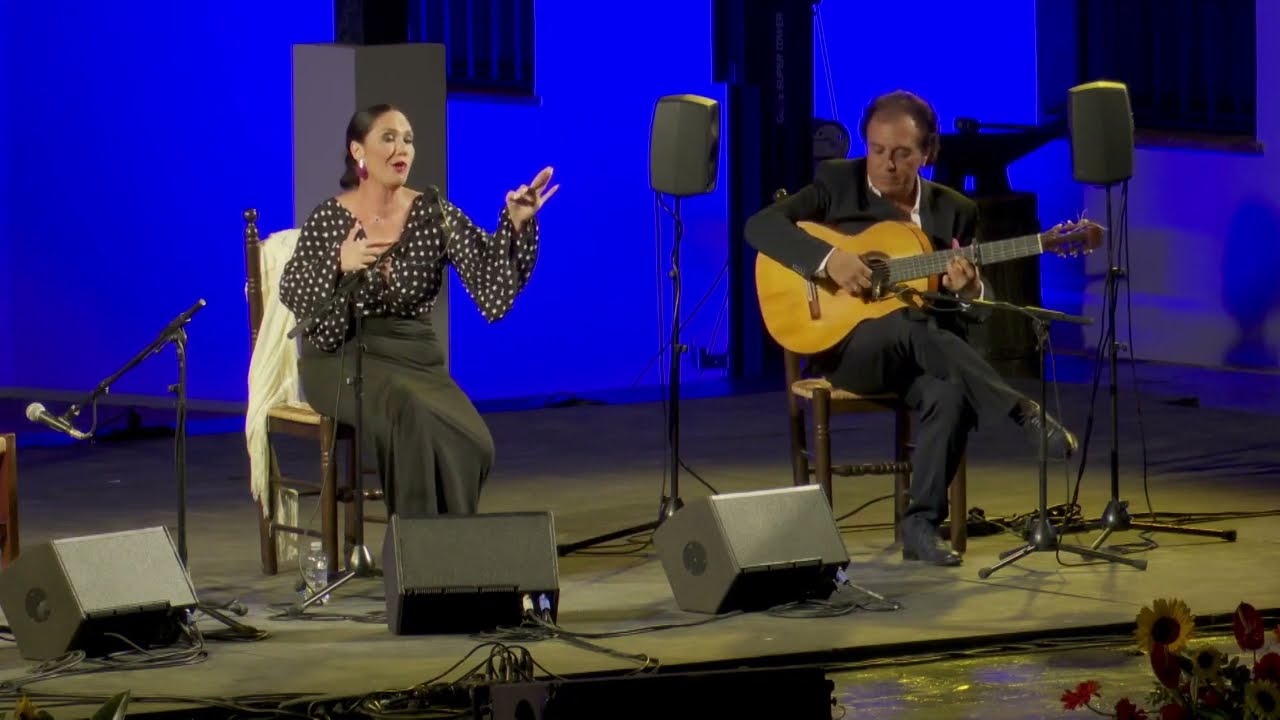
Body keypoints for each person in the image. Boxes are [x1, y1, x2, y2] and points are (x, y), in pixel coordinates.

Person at [744, 90, 1077, 567]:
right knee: (903, 320)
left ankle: (920, 526)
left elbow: (971, 312)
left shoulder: (955, 210)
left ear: (928, 153)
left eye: (901, 153)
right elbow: (760, 227)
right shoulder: (837, 182)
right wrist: (830, 259)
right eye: (877, 150)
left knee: (950, 392)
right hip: (849, 351)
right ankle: (1020, 412)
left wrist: (968, 290)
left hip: (926, 355)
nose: (886, 164)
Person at [279, 103, 558, 520]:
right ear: (358, 151)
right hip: (343, 356)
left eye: (407, 140)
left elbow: (489, 283)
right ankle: (416, 547)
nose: (402, 149)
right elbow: (292, 290)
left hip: (415, 359)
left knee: (475, 441)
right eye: (388, 138)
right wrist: (339, 262)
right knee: (409, 413)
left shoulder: (433, 213)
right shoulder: (330, 218)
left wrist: (515, 223)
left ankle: (447, 543)